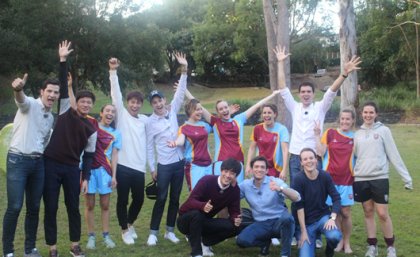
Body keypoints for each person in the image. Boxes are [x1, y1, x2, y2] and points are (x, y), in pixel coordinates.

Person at [274, 45, 361, 248]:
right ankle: (298, 233)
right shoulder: (294, 107)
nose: (305, 94)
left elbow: (332, 90)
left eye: (308, 92)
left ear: (313, 94)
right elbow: (282, 86)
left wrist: (344, 73)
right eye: (302, 91)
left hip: (314, 158)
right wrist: (280, 62)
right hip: (296, 158)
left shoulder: (320, 108)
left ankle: (320, 235)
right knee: (297, 197)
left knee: (318, 197)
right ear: (299, 94)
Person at [2, 41, 71, 257]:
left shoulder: (50, 117)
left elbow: (45, 141)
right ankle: (9, 251)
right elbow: (21, 100)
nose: (52, 95)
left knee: (34, 208)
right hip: (18, 161)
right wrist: (18, 89)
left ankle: (30, 248)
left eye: (56, 92)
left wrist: (63, 62)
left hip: (37, 163)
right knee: (14, 207)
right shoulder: (30, 104)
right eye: (49, 91)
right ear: (42, 92)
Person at [43, 45, 97, 257]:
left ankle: (75, 245)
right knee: (51, 207)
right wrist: (63, 60)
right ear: (76, 103)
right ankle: (52, 247)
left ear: (92, 105)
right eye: (82, 101)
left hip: (73, 169)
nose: (85, 104)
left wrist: (85, 177)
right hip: (51, 164)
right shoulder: (66, 110)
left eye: (88, 102)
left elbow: (90, 156)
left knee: (73, 208)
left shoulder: (92, 129)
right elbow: (64, 89)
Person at [353, 101, 413, 257]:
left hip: (379, 178)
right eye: (365, 112)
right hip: (361, 178)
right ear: (361, 114)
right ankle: (372, 246)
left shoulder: (384, 131)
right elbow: (352, 158)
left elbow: (394, 154)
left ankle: (390, 247)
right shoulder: (357, 134)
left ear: (376, 114)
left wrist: (406, 178)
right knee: (367, 212)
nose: (368, 115)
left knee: (382, 213)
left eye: (371, 112)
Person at [185, 89, 281, 184]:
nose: (224, 110)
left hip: (237, 162)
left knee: (236, 192)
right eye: (221, 109)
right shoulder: (215, 122)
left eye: (225, 107)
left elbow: (257, 105)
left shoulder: (239, 119)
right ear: (218, 112)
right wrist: (185, 90)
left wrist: (273, 95)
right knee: (220, 192)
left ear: (229, 108)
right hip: (221, 163)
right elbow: (198, 105)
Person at [146, 52, 189, 246]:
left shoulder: (172, 111)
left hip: (179, 163)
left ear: (164, 100)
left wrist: (184, 70)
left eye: (160, 100)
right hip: (163, 165)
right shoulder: (150, 122)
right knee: (161, 198)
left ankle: (169, 231)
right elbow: (148, 146)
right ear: (152, 105)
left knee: (174, 199)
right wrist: (153, 168)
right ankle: (153, 232)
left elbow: (180, 93)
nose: (158, 104)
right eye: (154, 103)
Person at [109, 57, 149, 245]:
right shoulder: (122, 115)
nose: (134, 105)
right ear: (128, 103)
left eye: (137, 102)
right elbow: (116, 95)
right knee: (122, 200)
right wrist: (113, 72)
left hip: (139, 167)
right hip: (123, 165)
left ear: (141, 104)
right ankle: (124, 230)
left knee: (139, 199)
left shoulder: (144, 120)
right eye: (132, 102)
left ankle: (129, 223)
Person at [177, 158, 242, 257]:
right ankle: (196, 253)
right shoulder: (207, 180)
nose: (228, 175)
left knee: (236, 227)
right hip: (185, 221)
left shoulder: (234, 190)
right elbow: (189, 202)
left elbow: (235, 210)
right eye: (226, 171)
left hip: (205, 221)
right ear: (221, 170)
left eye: (232, 173)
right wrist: (202, 205)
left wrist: (235, 218)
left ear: (236, 176)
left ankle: (205, 242)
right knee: (197, 214)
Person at [237, 156, 300, 257]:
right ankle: (264, 243)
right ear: (252, 169)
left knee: (287, 219)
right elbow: (231, 196)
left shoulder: (275, 182)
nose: (259, 169)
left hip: (279, 222)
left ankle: (285, 254)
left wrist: (281, 189)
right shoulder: (245, 185)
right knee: (242, 241)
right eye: (256, 167)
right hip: (261, 223)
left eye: (262, 167)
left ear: (266, 170)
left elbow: (297, 197)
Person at [314, 109, 356, 254]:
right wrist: (316, 134)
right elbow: (319, 152)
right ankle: (338, 241)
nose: (345, 121)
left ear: (352, 121)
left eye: (348, 119)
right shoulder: (330, 133)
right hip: (330, 180)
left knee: (346, 212)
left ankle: (347, 242)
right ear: (339, 119)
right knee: (336, 212)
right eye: (342, 118)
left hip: (347, 179)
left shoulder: (355, 137)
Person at [83, 104, 122, 249]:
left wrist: (114, 176)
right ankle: (91, 237)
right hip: (88, 170)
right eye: (107, 110)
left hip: (105, 171)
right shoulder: (91, 126)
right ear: (101, 112)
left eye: (113, 111)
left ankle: (106, 236)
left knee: (105, 205)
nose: (110, 113)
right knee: (89, 204)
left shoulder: (116, 134)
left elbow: (114, 155)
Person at [292, 148, 342, 257]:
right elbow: (298, 207)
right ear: (301, 162)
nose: (309, 161)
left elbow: (336, 198)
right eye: (305, 159)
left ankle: (330, 249)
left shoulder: (325, 176)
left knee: (334, 236)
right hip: (306, 223)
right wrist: (303, 231)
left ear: (316, 160)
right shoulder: (297, 179)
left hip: (322, 218)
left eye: (311, 158)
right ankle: (311, 241)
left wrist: (332, 218)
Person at [168, 98, 212, 191]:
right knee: (196, 194)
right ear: (189, 111)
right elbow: (181, 140)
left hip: (208, 164)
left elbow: (215, 122)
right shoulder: (184, 128)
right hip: (194, 166)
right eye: (197, 109)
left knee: (209, 193)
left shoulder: (205, 125)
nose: (200, 112)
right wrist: (175, 143)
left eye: (201, 109)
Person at [245, 104, 289, 180]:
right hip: (261, 167)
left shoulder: (282, 129)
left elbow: (285, 151)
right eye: (264, 113)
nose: (266, 115)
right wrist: (248, 165)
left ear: (275, 114)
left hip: (276, 168)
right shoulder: (257, 128)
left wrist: (284, 170)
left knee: (274, 190)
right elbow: (252, 148)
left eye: (269, 112)